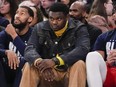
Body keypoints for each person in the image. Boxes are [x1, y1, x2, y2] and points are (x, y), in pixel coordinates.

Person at [19, 2, 90, 87]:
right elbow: (29, 49)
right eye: (51, 19)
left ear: (67, 17)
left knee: (79, 64)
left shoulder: (79, 28)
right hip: (46, 72)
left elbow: (83, 49)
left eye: (58, 19)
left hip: (68, 72)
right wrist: (40, 63)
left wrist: (55, 61)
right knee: (29, 65)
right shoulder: (39, 28)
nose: (54, 22)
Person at [0, 6, 34, 87]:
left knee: (25, 62)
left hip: (23, 72)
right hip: (6, 71)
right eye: (16, 13)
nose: (17, 16)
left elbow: (29, 55)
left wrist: (14, 35)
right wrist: (6, 52)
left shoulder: (34, 34)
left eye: (22, 13)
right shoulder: (6, 33)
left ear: (30, 19)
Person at [86, 16, 116, 87]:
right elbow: (98, 63)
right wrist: (107, 62)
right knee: (92, 56)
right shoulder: (104, 37)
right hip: (110, 73)